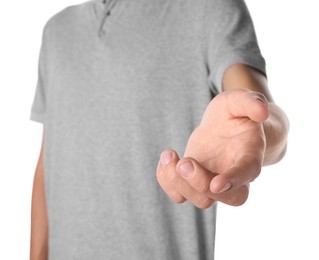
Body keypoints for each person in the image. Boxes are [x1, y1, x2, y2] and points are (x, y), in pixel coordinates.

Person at [29, 0, 289, 259]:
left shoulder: (210, 8)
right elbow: (48, 161)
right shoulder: (56, 31)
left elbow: (262, 112)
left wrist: (256, 134)